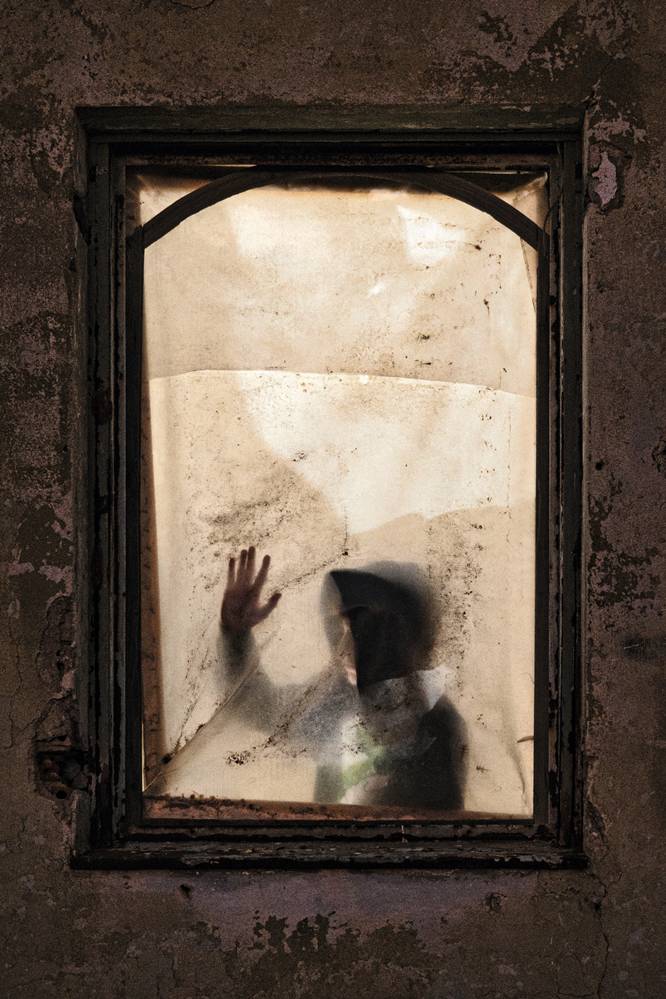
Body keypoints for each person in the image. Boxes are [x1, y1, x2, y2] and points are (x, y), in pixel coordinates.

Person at [221, 545, 467, 811]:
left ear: (400, 639)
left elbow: (431, 822)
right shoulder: (337, 700)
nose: (346, 648)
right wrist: (236, 635)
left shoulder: (436, 723)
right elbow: (263, 710)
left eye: (365, 633)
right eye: (342, 630)